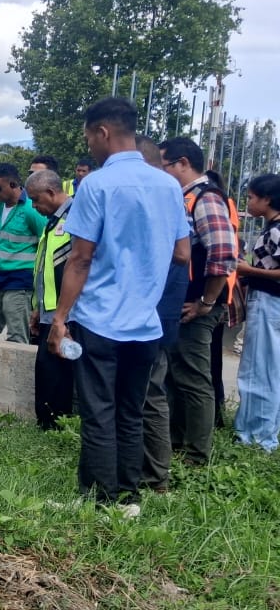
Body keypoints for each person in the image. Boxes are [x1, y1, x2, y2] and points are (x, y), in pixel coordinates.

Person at [48, 97, 189, 510]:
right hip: (145, 322)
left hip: (101, 319)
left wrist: (60, 318)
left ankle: (98, 500)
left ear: (103, 132)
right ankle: (128, 499)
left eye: (89, 138)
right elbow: (182, 253)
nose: (90, 146)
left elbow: (80, 258)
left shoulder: (96, 185)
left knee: (99, 412)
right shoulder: (168, 186)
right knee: (130, 412)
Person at [157, 136, 236, 467]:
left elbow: (223, 253)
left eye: (164, 166)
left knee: (193, 378)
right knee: (176, 375)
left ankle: (197, 455)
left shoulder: (206, 198)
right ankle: (177, 441)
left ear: (183, 164)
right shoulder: (184, 198)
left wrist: (206, 301)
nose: (161, 173)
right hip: (181, 303)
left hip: (197, 306)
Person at [134, 134, 190, 495]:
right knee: (147, 391)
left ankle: (155, 477)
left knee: (150, 393)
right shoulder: (168, 195)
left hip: (154, 310)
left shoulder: (159, 196)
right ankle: (146, 469)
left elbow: (180, 254)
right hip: (158, 309)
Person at [26, 169, 77, 429]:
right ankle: (47, 425)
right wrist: (38, 308)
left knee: (61, 375)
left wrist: (64, 317)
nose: (34, 206)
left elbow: (78, 268)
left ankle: (59, 427)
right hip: (49, 312)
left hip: (66, 315)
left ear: (50, 192)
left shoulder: (76, 217)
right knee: (47, 372)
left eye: (36, 200)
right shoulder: (54, 220)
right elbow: (45, 268)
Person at [234, 173, 280, 452]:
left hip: (268, 300)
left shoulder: (276, 230)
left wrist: (248, 270)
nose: (248, 202)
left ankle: (257, 437)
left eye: (251, 197)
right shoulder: (271, 227)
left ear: (267, 199)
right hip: (265, 300)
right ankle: (259, 431)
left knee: (259, 368)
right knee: (265, 367)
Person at [0, 163, 45, 344]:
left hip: (20, 280)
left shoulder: (31, 209)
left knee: (17, 335)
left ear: (13, 184)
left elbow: (45, 244)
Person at [205, 168, 242, 428]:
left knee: (209, 360)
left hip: (218, 292)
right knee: (212, 358)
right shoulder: (223, 202)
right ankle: (216, 414)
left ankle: (215, 416)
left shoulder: (216, 203)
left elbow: (222, 253)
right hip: (221, 291)